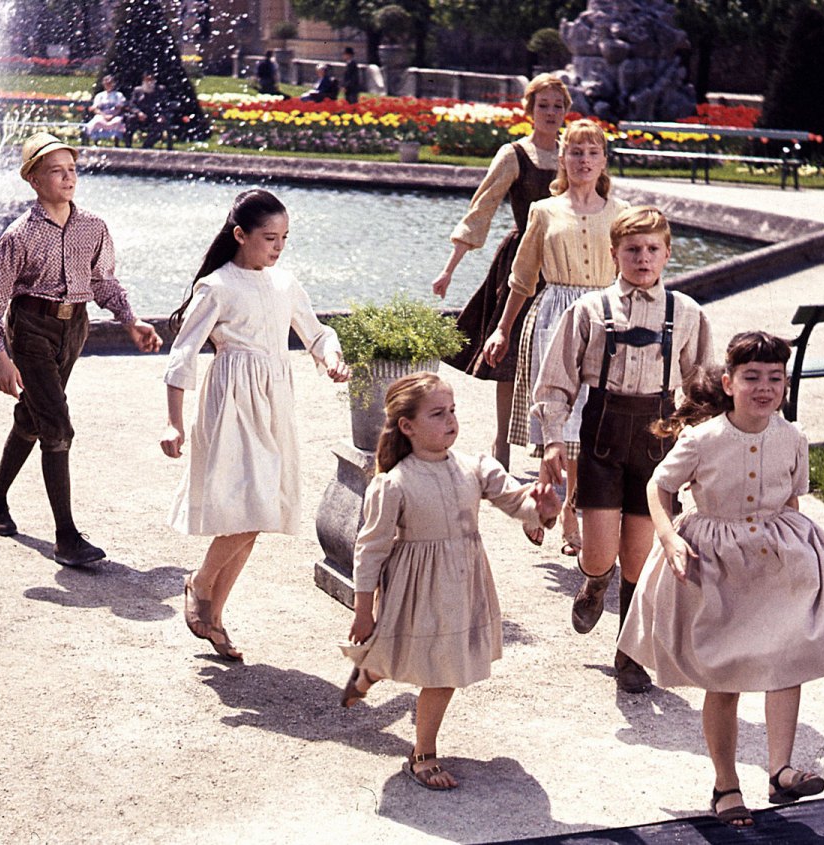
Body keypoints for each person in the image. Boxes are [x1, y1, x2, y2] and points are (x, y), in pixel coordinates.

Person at [617, 331, 824, 827]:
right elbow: (659, 486)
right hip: (716, 561)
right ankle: (725, 783)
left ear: (785, 384)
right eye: (751, 378)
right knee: (726, 675)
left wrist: (803, 561)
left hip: (776, 557)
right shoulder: (702, 438)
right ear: (729, 383)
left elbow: (792, 502)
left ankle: (780, 770)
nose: (764, 388)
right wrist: (669, 537)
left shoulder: (793, 438)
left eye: (775, 379)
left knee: (788, 657)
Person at [340, 373, 560, 790]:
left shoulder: (475, 467)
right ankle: (422, 753)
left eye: (453, 411)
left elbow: (517, 502)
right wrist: (363, 610)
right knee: (424, 660)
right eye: (438, 414)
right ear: (407, 426)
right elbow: (369, 549)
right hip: (417, 588)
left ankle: (371, 676)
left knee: (438, 664)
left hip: (463, 585)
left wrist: (542, 507)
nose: (451, 421)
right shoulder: (393, 483)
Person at [163, 189, 351, 662]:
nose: (278, 247)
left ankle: (213, 612)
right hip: (231, 403)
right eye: (270, 237)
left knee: (261, 512)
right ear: (240, 235)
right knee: (246, 510)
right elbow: (183, 353)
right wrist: (173, 424)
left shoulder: (284, 283)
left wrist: (330, 357)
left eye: (285, 238)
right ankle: (202, 585)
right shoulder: (218, 286)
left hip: (275, 403)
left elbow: (317, 331)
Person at [534, 205, 712, 694]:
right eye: (632, 249)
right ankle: (594, 580)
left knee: (639, 559)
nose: (643, 258)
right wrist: (552, 440)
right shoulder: (589, 311)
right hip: (603, 435)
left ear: (668, 254)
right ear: (614, 254)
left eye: (653, 249)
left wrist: (702, 451)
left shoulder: (688, 315)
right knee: (599, 552)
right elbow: (554, 383)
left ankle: (628, 652)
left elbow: (701, 389)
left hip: (657, 441)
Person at [0, 132, 161, 567]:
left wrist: (130, 321)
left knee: (34, 415)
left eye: (72, 169)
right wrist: (1, 358)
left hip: (75, 327)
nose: (68, 177)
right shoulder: (18, 236)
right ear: (34, 179)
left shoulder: (93, 227)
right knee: (58, 427)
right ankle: (66, 537)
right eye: (56, 170)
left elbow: (103, 282)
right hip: (31, 328)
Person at [482, 118, 629, 559]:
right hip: (552, 318)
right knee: (555, 418)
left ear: (604, 159)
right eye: (575, 152)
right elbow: (522, 279)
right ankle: (548, 501)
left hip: (603, 320)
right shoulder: (544, 212)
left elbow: (633, 275)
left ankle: (566, 507)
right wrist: (502, 329)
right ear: (562, 159)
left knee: (587, 420)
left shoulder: (620, 213)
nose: (584, 161)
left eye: (592, 152)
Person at [432, 73, 569, 472]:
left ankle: (551, 443)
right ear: (529, 110)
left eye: (557, 106)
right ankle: (503, 442)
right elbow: (481, 210)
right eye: (542, 105)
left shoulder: (570, 155)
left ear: (566, 112)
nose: (550, 113)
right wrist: (448, 270)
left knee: (556, 356)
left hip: (562, 266)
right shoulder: (514, 155)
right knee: (507, 356)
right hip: (521, 263)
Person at [83, 75, 127, 143]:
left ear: (113, 84)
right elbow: (95, 109)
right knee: (96, 121)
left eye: (110, 83)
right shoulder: (99, 95)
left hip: (114, 115)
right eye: (106, 83)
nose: (108, 85)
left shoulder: (118, 95)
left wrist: (112, 116)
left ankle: (116, 142)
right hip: (102, 115)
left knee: (117, 121)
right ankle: (95, 141)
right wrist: (104, 115)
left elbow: (120, 108)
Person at [126, 72, 164, 148]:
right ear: (143, 80)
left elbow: (164, 104)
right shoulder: (137, 90)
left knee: (159, 125)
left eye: (151, 80)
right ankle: (128, 145)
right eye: (147, 80)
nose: (149, 82)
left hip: (154, 116)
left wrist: (162, 115)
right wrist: (138, 112)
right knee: (130, 120)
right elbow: (131, 104)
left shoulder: (160, 90)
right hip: (140, 116)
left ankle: (146, 146)